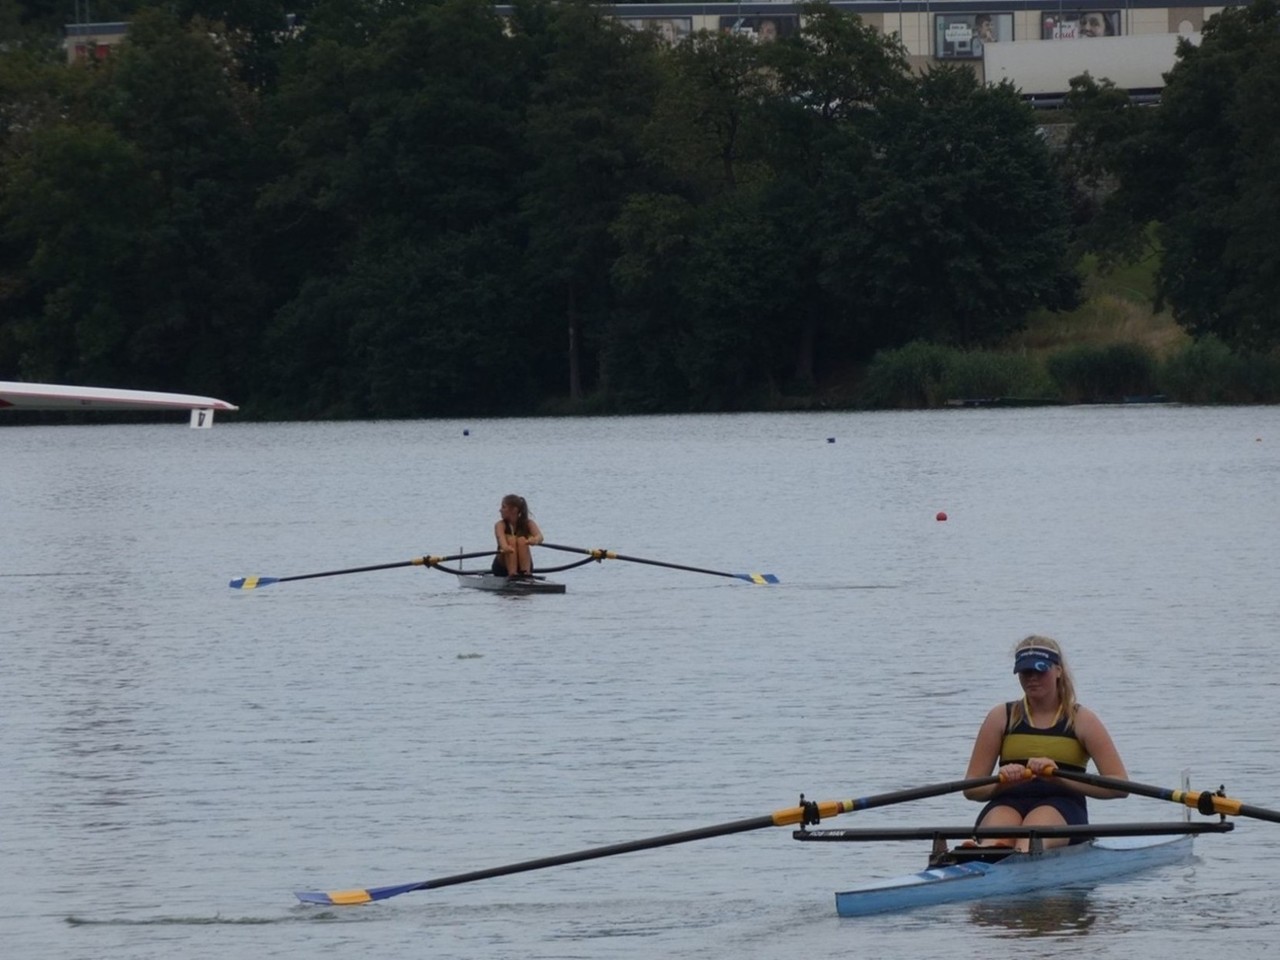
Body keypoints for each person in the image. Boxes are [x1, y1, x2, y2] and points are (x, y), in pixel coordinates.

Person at [962, 635, 1128, 851]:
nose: (1032, 678)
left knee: (1029, 842)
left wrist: (1058, 778)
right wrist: (1003, 783)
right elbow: (972, 789)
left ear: (1058, 670)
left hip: (1062, 804)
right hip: (1008, 800)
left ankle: (1019, 854)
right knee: (996, 841)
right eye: (1025, 672)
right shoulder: (1001, 717)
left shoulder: (1082, 720)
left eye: (1040, 670)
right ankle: (985, 852)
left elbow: (1119, 786)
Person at [491, 494, 544, 579]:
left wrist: (534, 540)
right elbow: (501, 540)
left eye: (504, 507)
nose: (500, 510)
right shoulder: (500, 525)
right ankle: (512, 573)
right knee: (511, 540)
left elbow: (540, 537)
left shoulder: (528, 523)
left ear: (514, 510)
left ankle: (526, 573)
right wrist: (505, 547)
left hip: (523, 565)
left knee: (522, 540)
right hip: (502, 568)